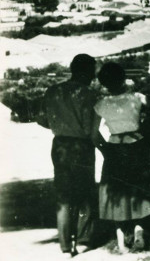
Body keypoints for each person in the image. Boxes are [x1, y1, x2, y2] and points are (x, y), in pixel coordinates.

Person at [37, 53, 103, 257]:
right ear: (86, 71)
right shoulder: (89, 95)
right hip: (81, 147)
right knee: (84, 193)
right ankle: (83, 240)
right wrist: (107, 149)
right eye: (93, 71)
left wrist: (59, 125)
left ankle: (66, 246)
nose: (94, 76)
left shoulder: (53, 91)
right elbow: (91, 131)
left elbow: (41, 119)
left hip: (59, 145)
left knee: (64, 195)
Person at [94, 63, 150, 253]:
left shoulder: (101, 104)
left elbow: (93, 132)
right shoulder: (138, 98)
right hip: (139, 145)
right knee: (141, 189)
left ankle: (122, 241)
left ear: (104, 83)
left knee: (116, 191)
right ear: (123, 78)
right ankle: (139, 229)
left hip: (115, 148)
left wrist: (105, 148)